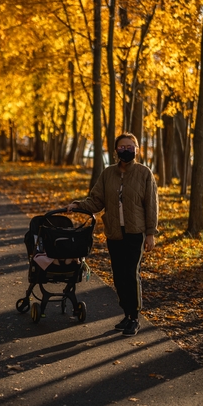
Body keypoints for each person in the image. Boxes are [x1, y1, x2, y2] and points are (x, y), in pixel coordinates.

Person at [68, 132, 158, 336]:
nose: (125, 150)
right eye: (121, 147)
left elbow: (151, 206)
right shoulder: (108, 174)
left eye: (129, 147)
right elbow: (96, 200)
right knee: (118, 276)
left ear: (136, 149)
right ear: (116, 150)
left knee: (131, 274)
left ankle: (135, 318)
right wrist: (78, 206)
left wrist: (151, 233)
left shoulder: (144, 173)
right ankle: (126, 314)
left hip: (136, 232)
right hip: (115, 232)